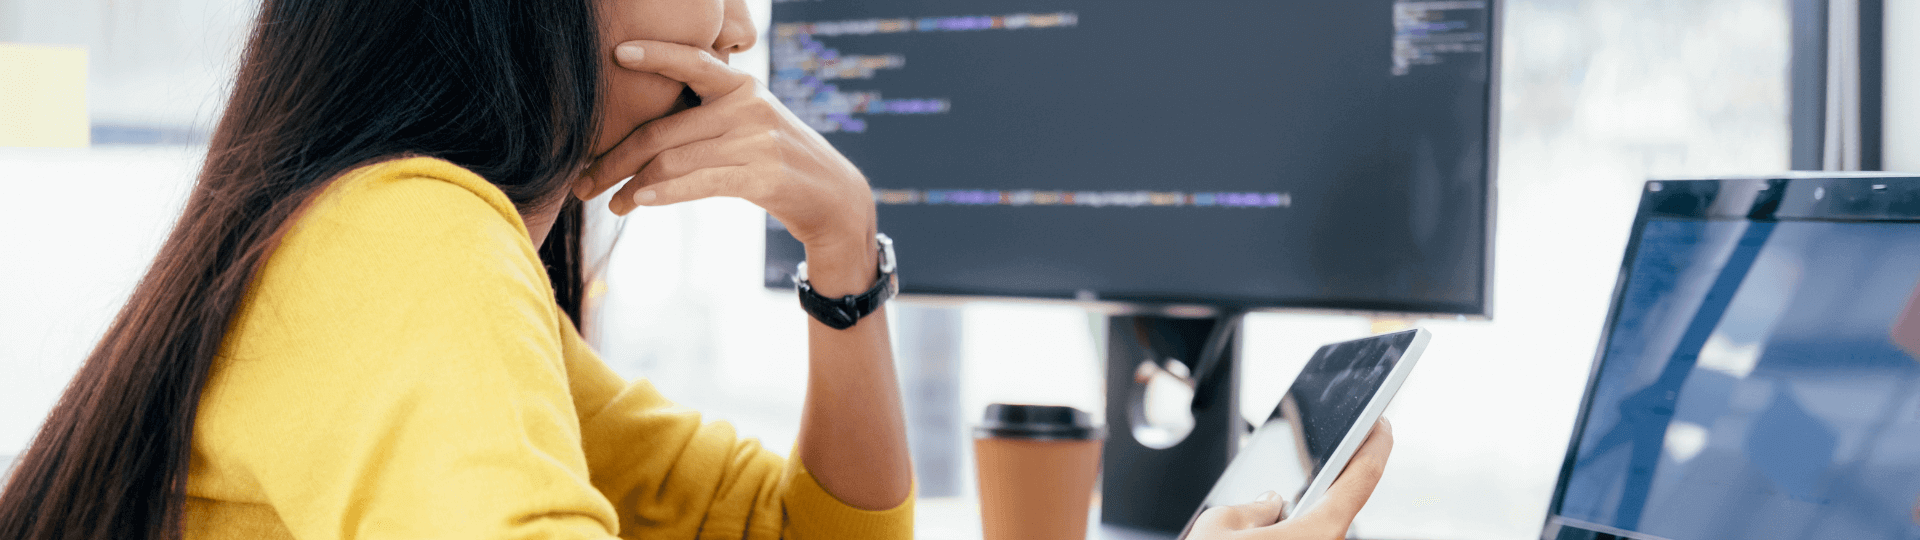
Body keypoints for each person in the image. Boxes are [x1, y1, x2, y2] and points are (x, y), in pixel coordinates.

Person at [0, 0, 1391, 538]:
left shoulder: (424, 258)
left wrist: (844, 253)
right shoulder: (406, 238)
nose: (738, 30)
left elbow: (812, 538)